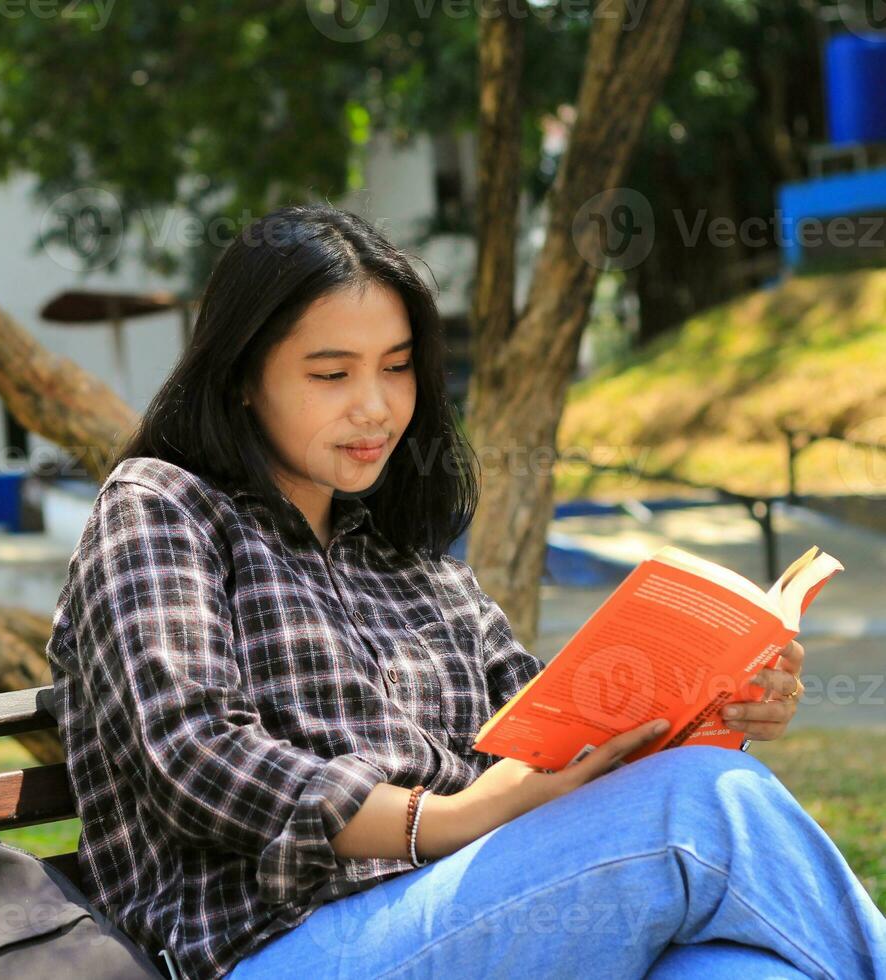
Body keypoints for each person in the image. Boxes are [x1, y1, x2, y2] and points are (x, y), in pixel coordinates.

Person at [44, 204, 886, 980]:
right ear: (241, 377)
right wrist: (443, 819)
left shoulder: (410, 560)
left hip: (464, 908)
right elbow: (196, 755)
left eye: (398, 368)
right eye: (330, 375)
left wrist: (715, 707)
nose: (375, 407)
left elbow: (547, 730)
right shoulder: (162, 507)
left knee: (743, 971)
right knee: (700, 808)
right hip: (276, 944)